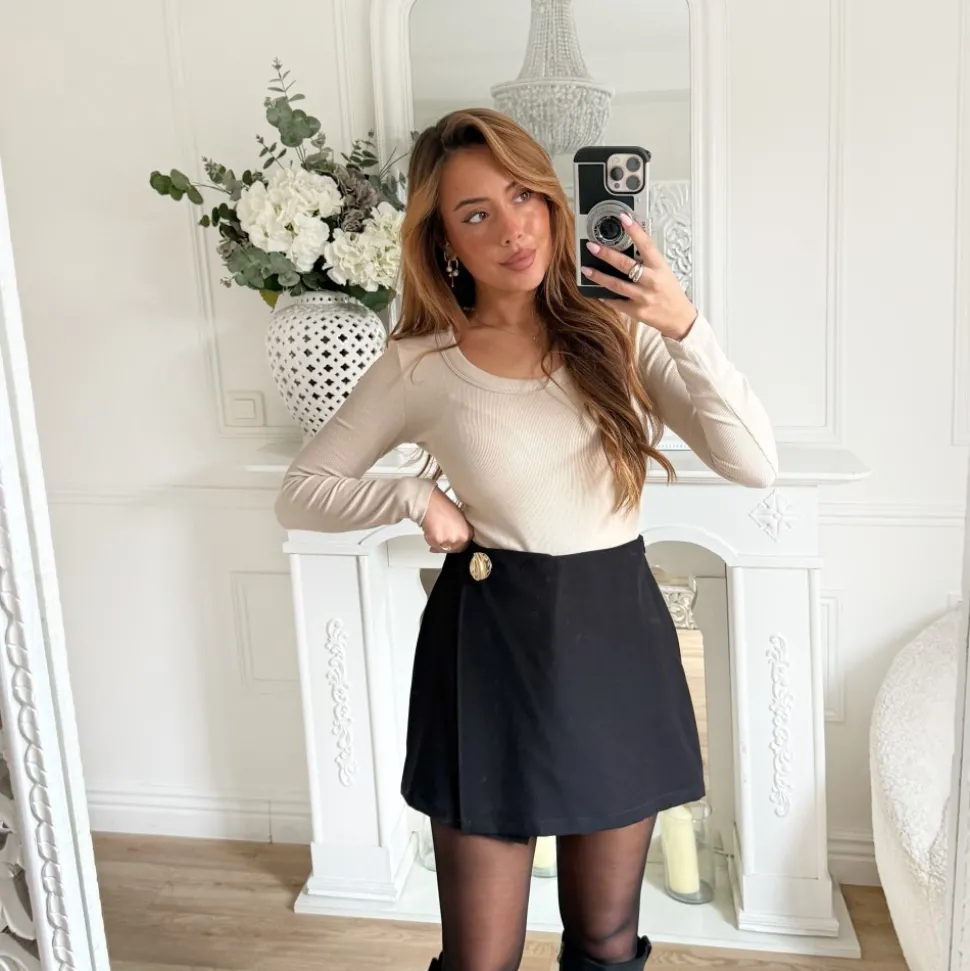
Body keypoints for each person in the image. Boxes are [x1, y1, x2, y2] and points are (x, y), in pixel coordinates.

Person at [275, 108, 777, 971]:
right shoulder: (422, 362)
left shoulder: (619, 331)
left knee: (606, 941)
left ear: (551, 199)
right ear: (443, 242)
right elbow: (301, 491)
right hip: (488, 655)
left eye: (523, 196)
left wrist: (684, 325)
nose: (512, 229)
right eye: (476, 214)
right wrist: (410, 495)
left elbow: (754, 464)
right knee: (481, 959)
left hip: (616, 646)